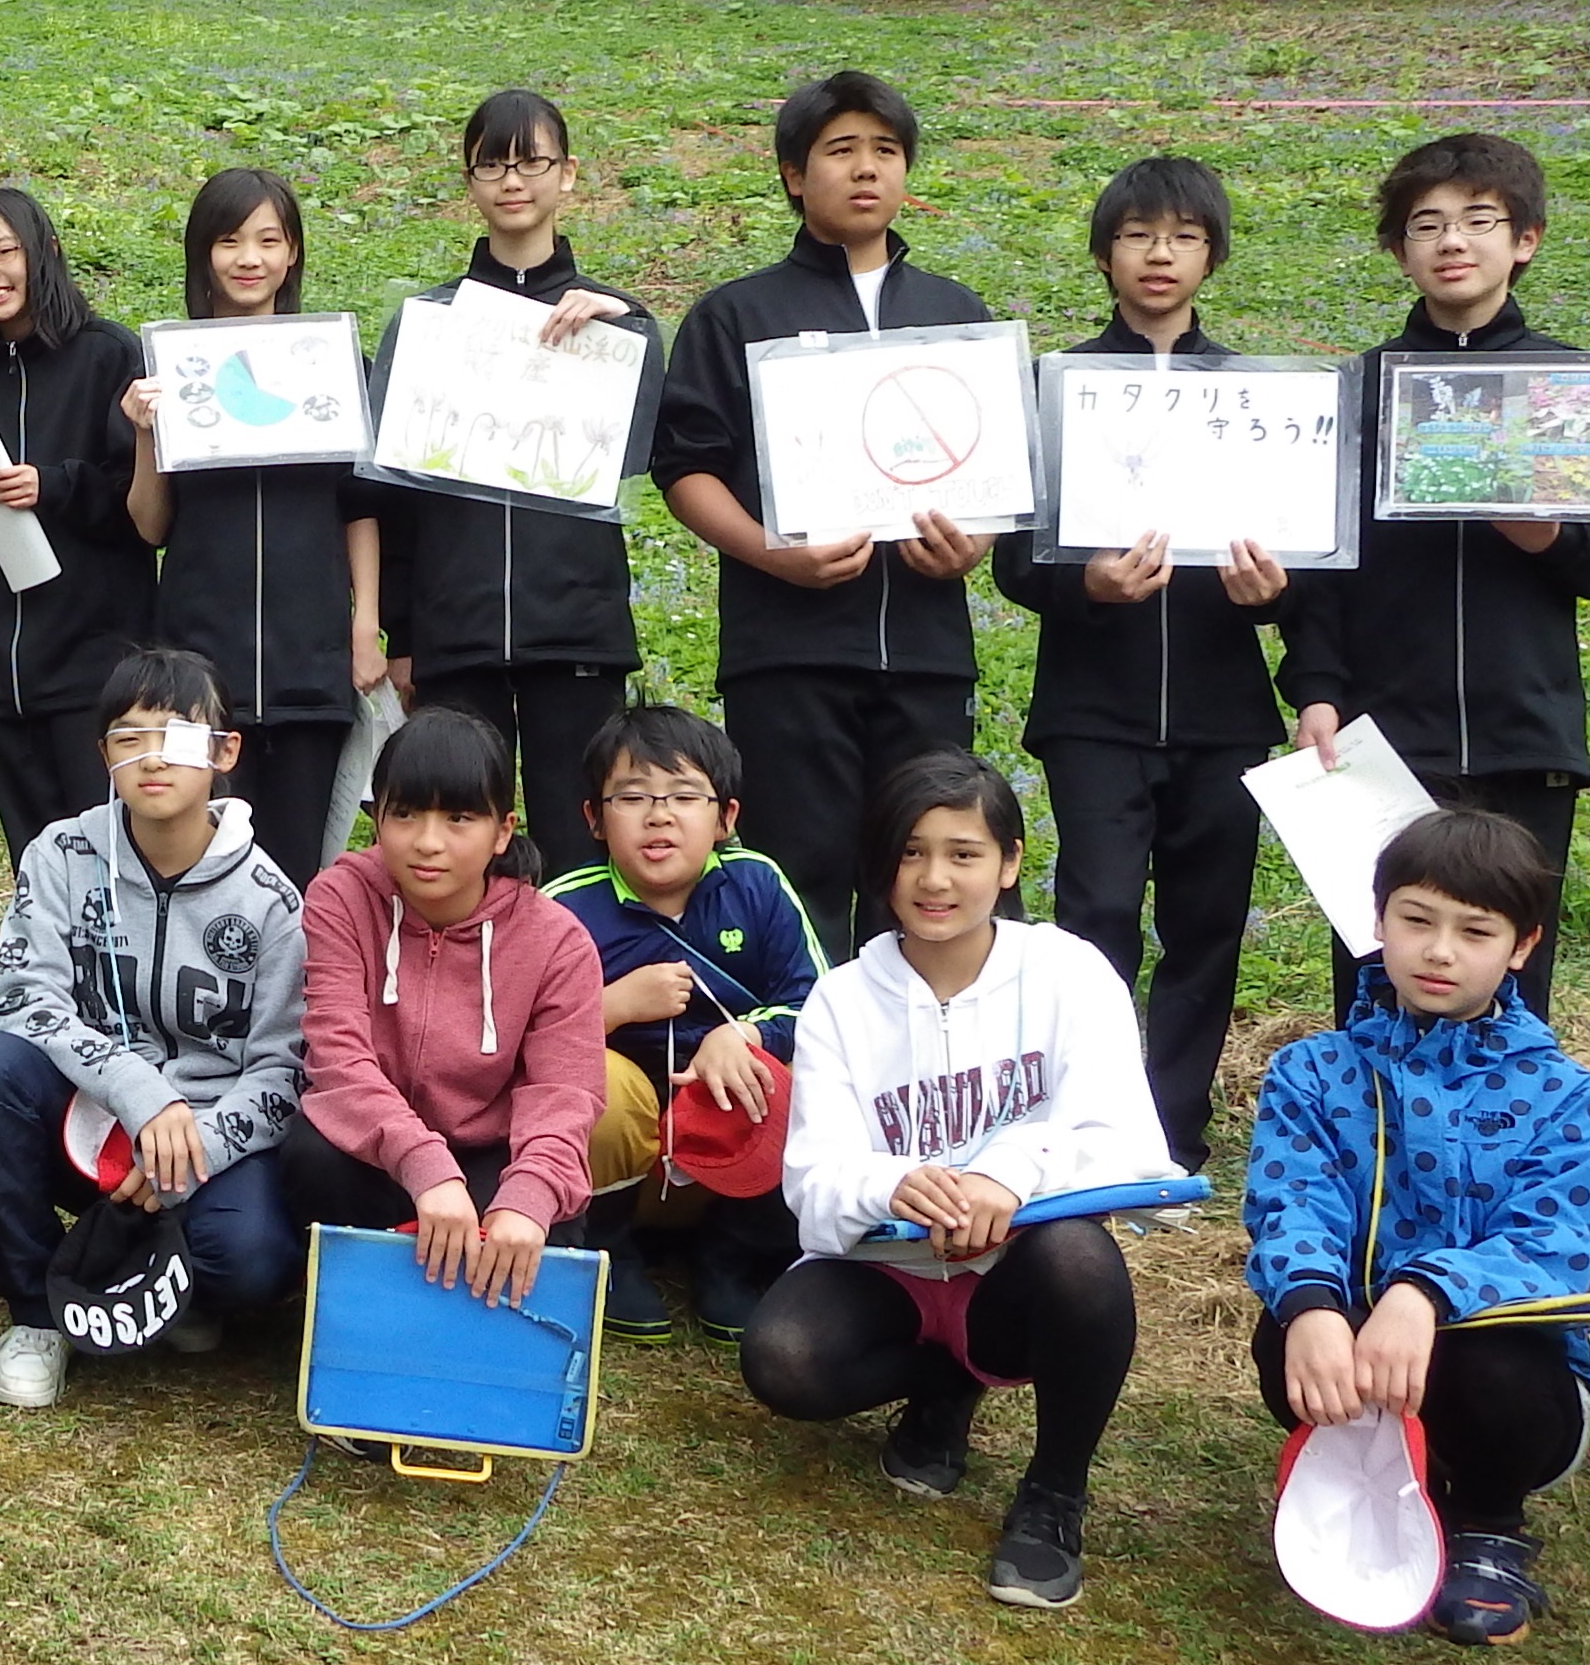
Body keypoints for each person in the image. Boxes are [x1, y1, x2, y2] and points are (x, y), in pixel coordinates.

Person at [1278, 132, 1590, 1015]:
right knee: (1375, 964)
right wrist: (1316, 690)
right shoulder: (1357, 394)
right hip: (1382, 742)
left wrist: (1548, 538)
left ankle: (1502, 1150)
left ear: (1524, 239)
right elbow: (1317, 574)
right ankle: (1373, 1140)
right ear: (1399, 251)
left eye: (1479, 220)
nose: (1452, 241)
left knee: (1507, 974)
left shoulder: (1577, 391)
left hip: (1522, 736)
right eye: (1426, 225)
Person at [756, 755, 1176, 1612]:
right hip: (894, 1273)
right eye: (912, 853)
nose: (936, 879)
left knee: (1082, 1264)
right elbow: (812, 1182)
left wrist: (1008, 1174)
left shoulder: (1070, 974)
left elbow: (1129, 1142)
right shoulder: (841, 999)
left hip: (1018, 1274)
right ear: (884, 865)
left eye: (964, 853)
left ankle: (1055, 1494)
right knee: (784, 1360)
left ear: (1011, 863)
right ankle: (942, 1385)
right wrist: (892, 1183)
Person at [1242, 807, 1590, 1644]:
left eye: (1474, 931)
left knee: (1487, 1361)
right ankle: (1369, 1473)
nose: (1440, 951)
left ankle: (1488, 1515)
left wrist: (1422, 1293)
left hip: (1505, 1377)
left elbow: (1552, 1248)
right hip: (1360, 1370)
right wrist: (1310, 1308)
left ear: (1522, 945)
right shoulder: (1311, 1071)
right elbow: (1290, 1203)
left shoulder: (1569, 1097)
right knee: (1288, 1331)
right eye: (1416, 921)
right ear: (1378, 923)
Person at [648, 71, 1000, 956]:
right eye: (840, 151)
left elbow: (995, 478)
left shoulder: (955, 318)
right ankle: (804, 1074)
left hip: (924, 655)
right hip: (788, 655)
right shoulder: (737, 314)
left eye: (885, 151)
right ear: (794, 175)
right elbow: (685, 466)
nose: (865, 169)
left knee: (925, 878)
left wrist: (973, 545)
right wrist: (773, 553)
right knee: (797, 880)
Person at [992, 157, 1293, 1165]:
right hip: (1093, 711)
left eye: (1183, 237)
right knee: (1101, 913)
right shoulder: (1058, 389)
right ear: (1104, 253)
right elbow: (1015, 560)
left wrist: (1273, 596)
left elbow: (1303, 556)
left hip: (1225, 713)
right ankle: (1091, 1119)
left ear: (1212, 255)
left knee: (1208, 925)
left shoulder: (1258, 400)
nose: (1159, 255)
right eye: (1136, 235)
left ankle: (1174, 1126)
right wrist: (1089, 586)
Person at [0, 648, 309, 1413]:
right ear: (104, 754)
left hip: (204, 1148)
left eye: (176, 737)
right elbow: (21, 1002)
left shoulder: (272, 901)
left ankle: (174, 1281)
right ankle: (37, 1311)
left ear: (224, 752)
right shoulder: (63, 854)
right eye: (128, 739)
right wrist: (138, 1093)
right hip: (82, 1122)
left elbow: (284, 1073)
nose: (151, 759)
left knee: (253, 1262)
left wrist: (194, 1148)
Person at [365, 89, 661, 880]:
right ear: (470, 181)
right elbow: (394, 498)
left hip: (576, 629)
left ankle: (583, 994)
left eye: (531, 161)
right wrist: (404, 636)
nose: (512, 180)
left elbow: (635, 453)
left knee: (579, 833)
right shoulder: (427, 323)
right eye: (492, 163)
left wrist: (626, 325)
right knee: (461, 837)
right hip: (455, 635)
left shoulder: (616, 323)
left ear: (569, 175)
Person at [275, 709, 637, 1332]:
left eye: (459, 818)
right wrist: (425, 1168)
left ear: (503, 830)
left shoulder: (556, 940)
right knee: (312, 1152)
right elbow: (338, 1060)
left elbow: (564, 1093)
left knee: (550, 1200)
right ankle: (357, 1325)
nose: (428, 841)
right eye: (405, 814)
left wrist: (525, 1201)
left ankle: (485, 1342)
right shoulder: (340, 898)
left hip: (490, 1157)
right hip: (383, 1155)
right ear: (377, 818)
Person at [552, 703, 826, 1344]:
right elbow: (514, 1041)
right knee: (597, 1079)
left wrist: (744, 1035)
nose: (659, 815)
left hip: (730, 1148)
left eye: (684, 795)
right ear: (594, 818)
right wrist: (613, 1007)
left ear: (726, 817)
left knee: (777, 1074)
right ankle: (609, 1252)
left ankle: (728, 1257)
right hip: (620, 1160)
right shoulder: (566, 909)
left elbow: (820, 1006)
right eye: (632, 797)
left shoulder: (757, 886)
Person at [0, 188, 159, 867]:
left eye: (4, 251)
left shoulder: (109, 355)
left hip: (93, 669)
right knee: (37, 865)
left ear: (44, 252)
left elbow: (139, 503)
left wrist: (54, 484)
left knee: (112, 862)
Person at [122, 168, 365, 846]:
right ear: (204, 253)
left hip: (310, 667)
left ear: (292, 254)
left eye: (268, 240)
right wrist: (145, 432)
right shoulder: (168, 371)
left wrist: (364, 625)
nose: (249, 259)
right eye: (230, 241)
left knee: (300, 867)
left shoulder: (334, 366)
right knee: (201, 859)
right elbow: (150, 523)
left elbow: (360, 506)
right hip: (201, 668)